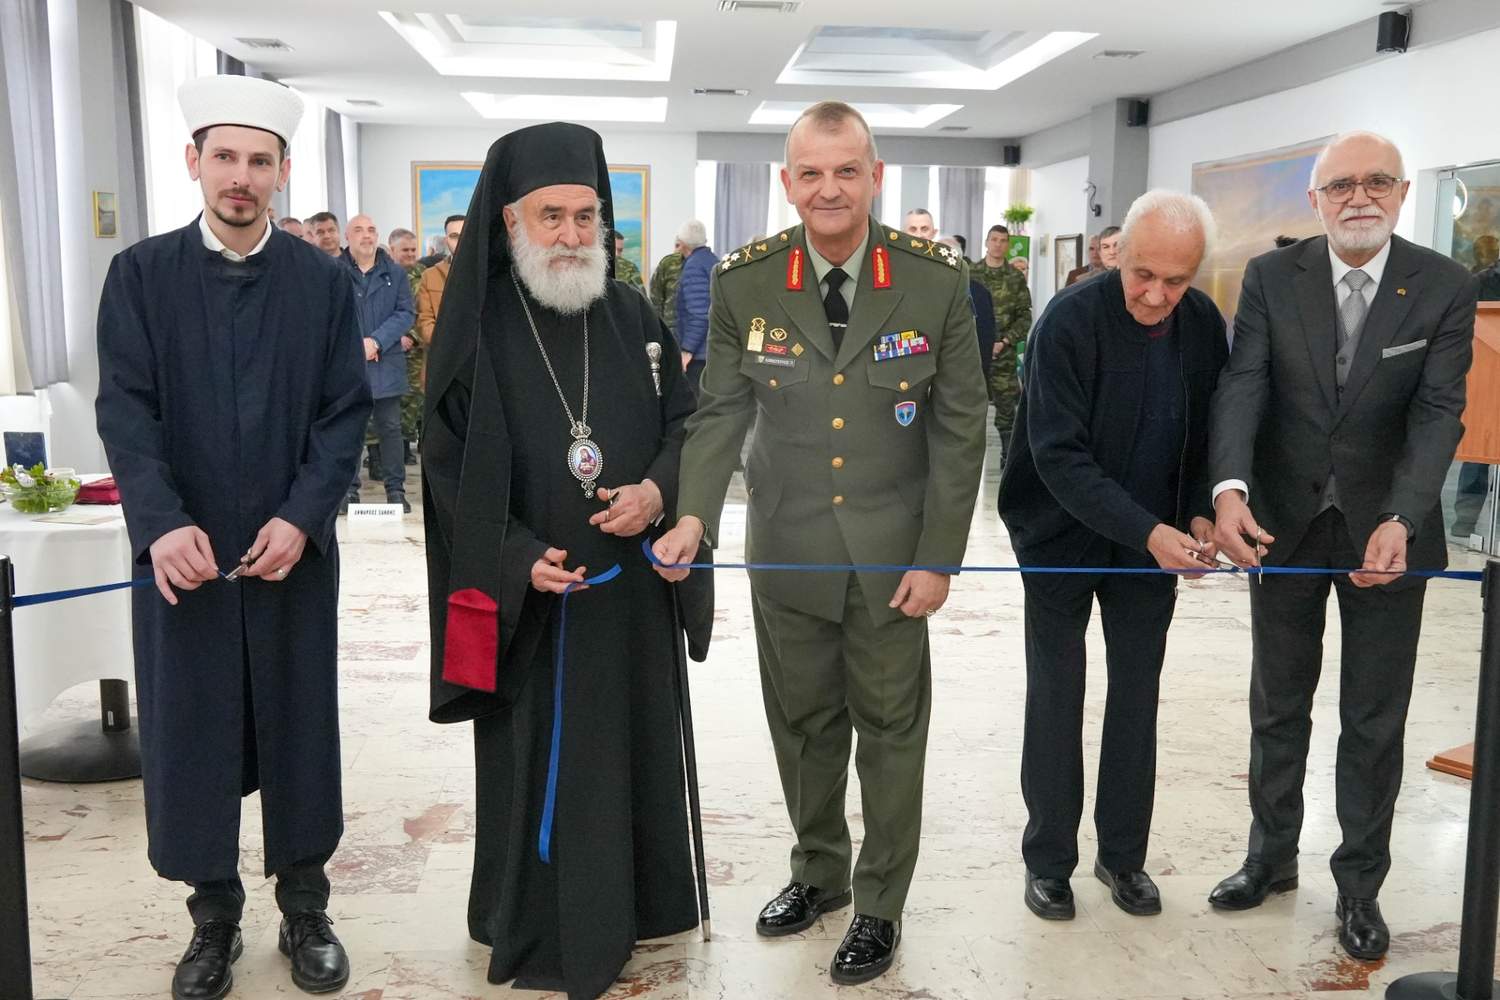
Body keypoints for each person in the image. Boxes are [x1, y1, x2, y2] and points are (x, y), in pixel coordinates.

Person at [652, 100, 988, 986]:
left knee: (890, 733)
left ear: (876, 176)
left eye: (847, 171)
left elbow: (961, 427)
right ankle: (819, 871)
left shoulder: (933, 280)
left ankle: (880, 904)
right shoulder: (748, 281)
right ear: (787, 182)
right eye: (811, 172)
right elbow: (720, 411)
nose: (829, 188)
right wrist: (693, 517)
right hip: (788, 547)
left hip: (892, 558)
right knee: (802, 725)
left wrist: (938, 557)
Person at [421, 120, 712, 1000]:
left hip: (630, 600)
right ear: (511, 220)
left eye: (587, 217)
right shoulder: (479, 330)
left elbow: (687, 424)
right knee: (540, 768)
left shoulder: (630, 316)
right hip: (538, 607)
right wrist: (512, 556)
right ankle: (544, 921)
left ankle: (645, 902)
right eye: (551, 216)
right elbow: (445, 465)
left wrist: (658, 492)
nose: (572, 235)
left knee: (632, 753)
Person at [94, 74, 369, 1000]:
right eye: (224, 158)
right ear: (194, 162)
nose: (240, 177)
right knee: (193, 728)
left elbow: (343, 415)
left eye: (258, 161)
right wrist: (161, 525)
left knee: (298, 724)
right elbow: (125, 413)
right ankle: (212, 916)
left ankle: (305, 906)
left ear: (282, 171)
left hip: (291, 554)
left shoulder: (322, 283)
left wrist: (304, 515)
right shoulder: (141, 276)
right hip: (187, 558)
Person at [1207, 131, 1478, 962]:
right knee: (1277, 705)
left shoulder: (1444, 283)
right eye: (1341, 185)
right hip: (1282, 525)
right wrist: (1229, 490)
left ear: (1403, 193)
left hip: (1388, 536)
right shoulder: (1270, 277)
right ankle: (1270, 858)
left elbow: (1438, 412)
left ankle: (1360, 886)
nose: (1360, 197)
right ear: (1316, 199)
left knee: (1373, 716)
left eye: (1378, 182)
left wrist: (1402, 515)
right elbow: (1244, 382)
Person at [998, 191, 1228, 922]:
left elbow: (1207, 433)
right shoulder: (1067, 321)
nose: (1156, 295)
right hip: (1058, 535)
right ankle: (1049, 862)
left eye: (1176, 281)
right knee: (1056, 694)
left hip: (1153, 547)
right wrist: (1150, 531)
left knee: (1137, 694)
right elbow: (1058, 456)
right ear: (1117, 254)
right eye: (1143, 275)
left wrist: (1197, 511)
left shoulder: (1202, 324)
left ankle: (1123, 857)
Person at [341, 213, 415, 512]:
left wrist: (375, 341)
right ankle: (348, 492)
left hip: (386, 362)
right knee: (349, 431)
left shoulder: (395, 273)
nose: (366, 235)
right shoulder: (334, 271)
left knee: (391, 429)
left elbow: (405, 313)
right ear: (348, 237)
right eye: (359, 230)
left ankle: (396, 491)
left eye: (371, 229)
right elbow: (327, 313)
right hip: (348, 365)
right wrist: (356, 344)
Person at [972, 224, 1033, 451]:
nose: (998, 244)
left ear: (1008, 245)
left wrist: (1005, 341)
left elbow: (1024, 316)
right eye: (994, 239)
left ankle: (1007, 456)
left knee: (1007, 411)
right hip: (973, 354)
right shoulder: (971, 273)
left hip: (1004, 355)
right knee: (970, 407)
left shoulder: (1015, 278)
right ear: (986, 242)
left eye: (1003, 240)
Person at [389, 228, 427, 467]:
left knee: (415, 399)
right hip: (387, 348)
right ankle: (387, 451)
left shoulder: (424, 275)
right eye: (405, 250)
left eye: (413, 249)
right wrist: (395, 337)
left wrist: (412, 336)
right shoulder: (383, 276)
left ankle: (407, 444)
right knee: (391, 402)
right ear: (392, 250)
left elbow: (426, 311)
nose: (411, 254)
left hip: (417, 349)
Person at [415, 214, 464, 386]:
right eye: (454, 236)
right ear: (446, 240)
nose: (460, 241)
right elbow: (424, 322)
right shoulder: (430, 276)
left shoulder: (487, 273)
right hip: (443, 362)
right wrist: (452, 340)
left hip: (480, 361)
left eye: (464, 234)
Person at [673, 219, 715, 394]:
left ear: (683, 243)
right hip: (712, 348)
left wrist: (687, 350)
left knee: (695, 404)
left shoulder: (694, 267)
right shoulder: (713, 261)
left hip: (698, 354)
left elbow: (699, 314)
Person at [649, 241, 684, 334]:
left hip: (672, 324)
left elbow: (655, 296)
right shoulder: (668, 263)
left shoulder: (668, 262)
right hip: (671, 325)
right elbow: (655, 296)